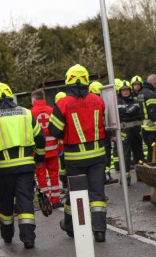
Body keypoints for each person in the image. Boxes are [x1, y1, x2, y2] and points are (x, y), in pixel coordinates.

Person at [0, 83, 46, 249]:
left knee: (5, 203)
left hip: (3, 169)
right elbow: (40, 137)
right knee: (25, 202)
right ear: (11, 96)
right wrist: (40, 158)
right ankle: (28, 238)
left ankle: (7, 236)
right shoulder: (26, 113)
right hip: (26, 167)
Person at [49, 64, 108, 243]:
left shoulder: (63, 103)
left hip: (75, 158)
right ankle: (99, 231)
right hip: (98, 156)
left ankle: (72, 227)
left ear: (68, 81)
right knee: (97, 194)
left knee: (75, 195)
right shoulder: (98, 100)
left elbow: (55, 130)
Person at [30, 89, 62, 208]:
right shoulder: (52, 111)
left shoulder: (30, 113)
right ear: (43, 98)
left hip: (38, 152)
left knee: (41, 176)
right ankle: (56, 200)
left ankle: (45, 201)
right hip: (53, 150)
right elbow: (59, 130)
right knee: (54, 175)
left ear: (34, 100)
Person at [116, 80, 142, 185]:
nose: (125, 92)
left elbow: (137, 113)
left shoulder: (135, 100)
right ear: (120, 91)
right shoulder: (118, 102)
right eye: (123, 90)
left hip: (135, 130)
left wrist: (127, 113)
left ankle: (141, 175)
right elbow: (123, 114)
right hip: (124, 131)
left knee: (139, 153)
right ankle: (126, 178)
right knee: (125, 155)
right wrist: (128, 113)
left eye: (127, 90)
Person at [139, 74, 156, 162]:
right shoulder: (150, 94)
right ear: (155, 82)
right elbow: (154, 113)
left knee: (151, 153)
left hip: (145, 129)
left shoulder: (141, 93)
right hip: (153, 131)